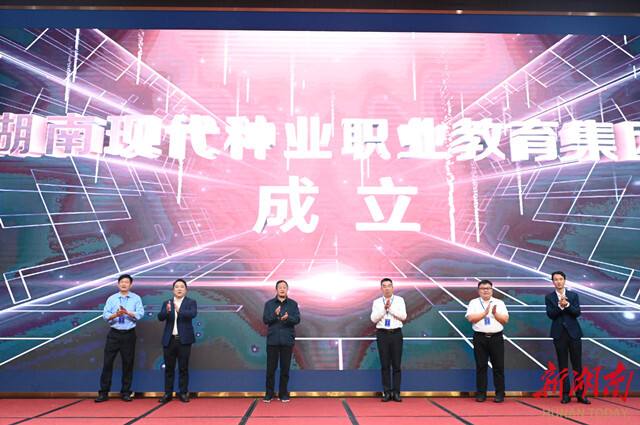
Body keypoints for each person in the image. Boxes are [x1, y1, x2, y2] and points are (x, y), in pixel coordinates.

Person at [95, 274, 145, 402]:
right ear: (118, 284)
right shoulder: (112, 299)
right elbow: (105, 315)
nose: (124, 284)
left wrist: (127, 313)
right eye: (121, 282)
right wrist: (116, 315)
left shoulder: (136, 298)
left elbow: (140, 314)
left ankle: (126, 392)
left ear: (131, 285)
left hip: (129, 334)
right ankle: (103, 393)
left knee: (128, 364)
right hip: (114, 334)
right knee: (107, 363)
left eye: (126, 282)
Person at [545, 271, 591, 405]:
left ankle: (580, 394)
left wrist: (568, 304)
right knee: (563, 365)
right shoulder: (549, 297)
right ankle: (566, 394)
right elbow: (551, 315)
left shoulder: (573, 295)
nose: (558, 281)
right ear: (553, 282)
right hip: (559, 334)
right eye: (556, 279)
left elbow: (577, 313)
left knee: (577, 365)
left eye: (561, 279)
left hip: (574, 334)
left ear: (564, 280)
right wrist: (560, 306)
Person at [465, 279, 509, 403]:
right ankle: (481, 394)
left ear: (492, 290)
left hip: (496, 338)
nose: (486, 291)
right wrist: (485, 313)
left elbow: (505, 320)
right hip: (480, 338)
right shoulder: (473, 303)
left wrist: (495, 313)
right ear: (479, 291)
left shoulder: (499, 303)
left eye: (488, 288)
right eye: (483, 288)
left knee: (498, 367)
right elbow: (471, 318)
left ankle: (500, 394)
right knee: (481, 367)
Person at [157, 278, 197, 403]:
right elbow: (160, 317)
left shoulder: (191, 302)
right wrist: (167, 311)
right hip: (169, 340)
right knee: (169, 368)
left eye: (181, 287)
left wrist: (180, 311)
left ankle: (183, 393)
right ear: (173, 289)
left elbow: (193, 314)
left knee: (183, 368)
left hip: (184, 340)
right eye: (176, 287)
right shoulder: (167, 303)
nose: (179, 289)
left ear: (186, 290)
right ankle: (168, 393)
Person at [262, 280, 301, 402]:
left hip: (287, 340)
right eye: (280, 287)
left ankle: (283, 394)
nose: (282, 289)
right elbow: (265, 320)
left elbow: (297, 319)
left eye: (284, 287)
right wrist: (275, 315)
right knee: (271, 369)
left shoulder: (293, 304)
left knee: (285, 369)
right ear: (276, 289)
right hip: (273, 340)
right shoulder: (269, 304)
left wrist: (288, 318)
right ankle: (269, 394)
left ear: (287, 289)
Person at [370, 278, 407, 402]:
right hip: (383, 334)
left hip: (396, 334)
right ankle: (386, 392)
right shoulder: (376, 302)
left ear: (392, 287)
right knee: (385, 365)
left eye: (389, 286)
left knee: (396, 365)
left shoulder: (400, 300)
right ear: (381, 288)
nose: (387, 288)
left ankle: (396, 392)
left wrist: (390, 309)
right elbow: (373, 319)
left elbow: (403, 316)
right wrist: (383, 308)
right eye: (384, 286)